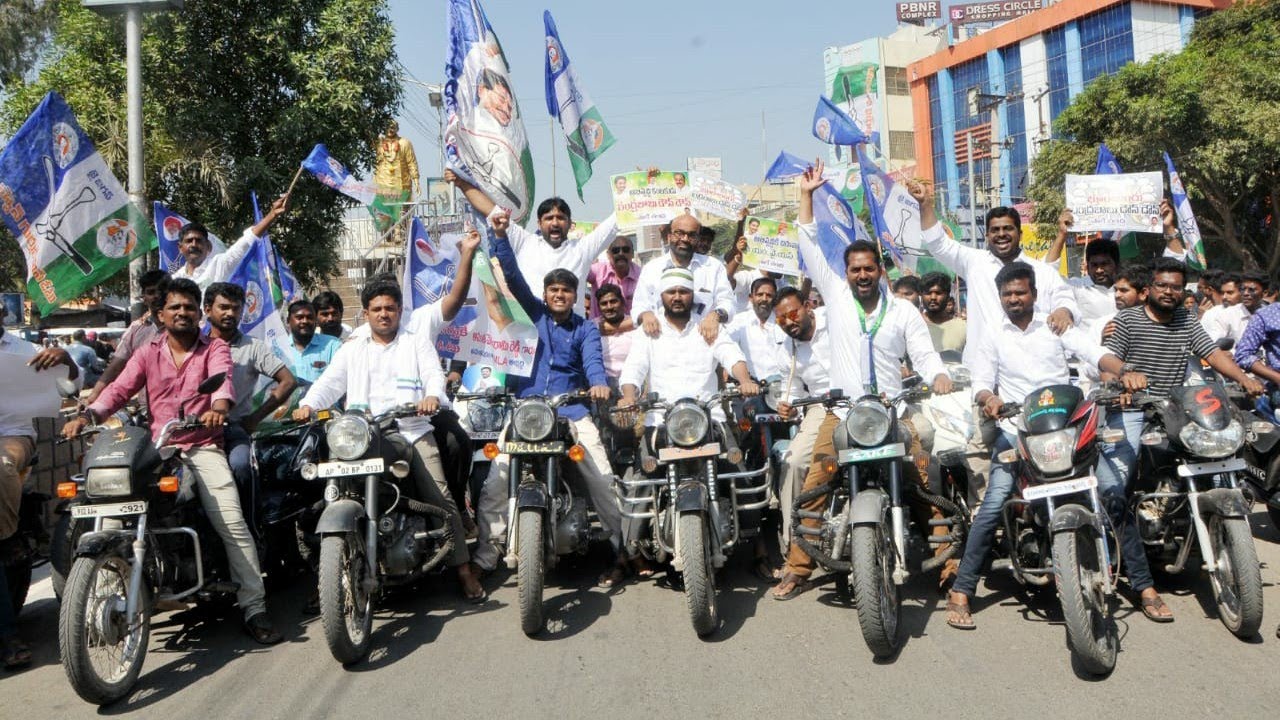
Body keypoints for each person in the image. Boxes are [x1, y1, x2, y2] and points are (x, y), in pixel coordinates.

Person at [63, 278, 284, 643]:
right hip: (158, 447)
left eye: (189, 307)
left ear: (200, 313)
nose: (182, 313)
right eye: (175, 307)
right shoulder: (148, 351)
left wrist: (218, 409)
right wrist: (87, 416)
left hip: (201, 445)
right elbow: (120, 389)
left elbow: (223, 385)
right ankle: (97, 602)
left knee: (231, 522)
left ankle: (254, 606)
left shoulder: (214, 348)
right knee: (112, 516)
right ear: (161, 314)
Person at [776, 160, 954, 600]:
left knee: (927, 478)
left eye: (867, 268)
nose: (860, 275)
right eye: (853, 269)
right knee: (815, 484)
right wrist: (806, 195)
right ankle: (797, 567)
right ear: (847, 271)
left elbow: (926, 356)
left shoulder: (904, 311)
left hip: (893, 411)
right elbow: (808, 242)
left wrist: (939, 376)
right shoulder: (834, 295)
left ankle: (950, 565)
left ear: (880, 271)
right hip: (842, 415)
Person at [944, 262, 1134, 629]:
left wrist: (1124, 371)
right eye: (1007, 294)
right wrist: (989, 399)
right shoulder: (992, 336)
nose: (1014, 299)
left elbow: (1096, 354)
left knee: (1112, 491)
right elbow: (982, 382)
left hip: (1067, 430)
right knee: (994, 501)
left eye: (1020, 292)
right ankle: (963, 589)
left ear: (1033, 293)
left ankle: (1143, 586)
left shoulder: (1055, 324)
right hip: (1017, 430)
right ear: (1000, 298)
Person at [292, 279, 486, 602]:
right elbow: (330, 381)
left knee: (441, 498)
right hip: (362, 434)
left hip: (411, 430)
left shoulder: (415, 342)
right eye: (377, 309)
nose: (384, 314)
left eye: (390, 308)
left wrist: (432, 396)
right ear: (366, 313)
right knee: (329, 489)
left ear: (399, 311)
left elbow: (433, 375)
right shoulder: (353, 346)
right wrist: (308, 405)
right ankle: (329, 579)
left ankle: (463, 570)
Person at [1098, 257, 1264, 622]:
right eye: (1162, 286)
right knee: (1115, 489)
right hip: (1132, 407)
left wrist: (1245, 378)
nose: (1169, 292)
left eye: (1176, 286)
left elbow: (1213, 354)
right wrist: (1127, 373)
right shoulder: (1129, 320)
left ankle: (1223, 532)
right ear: (1148, 290)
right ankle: (1136, 579)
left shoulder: (1188, 320)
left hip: (1175, 408)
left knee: (1218, 458)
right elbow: (1106, 360)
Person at [910, 175, 1078, 515]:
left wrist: (1062, 309)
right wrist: (925, 205)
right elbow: (936, 243)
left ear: (1019, 232)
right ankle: (988, 521)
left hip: (1033, 383)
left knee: (1046, 455)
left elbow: (1063, 296)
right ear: (986, 234)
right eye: (995, 230)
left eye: (1008, 229)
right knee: (981, 459)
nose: (1001, 234)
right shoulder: (973, 262)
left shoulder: (1039, 271)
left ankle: (1045, 521)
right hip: (985, 382)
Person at [473, 214, 622, 584]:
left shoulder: (586, 328)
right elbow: (510, 273)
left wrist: (599, 384)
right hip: (527, 411)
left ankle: (625, 550)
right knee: (496, 481)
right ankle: (487, 553)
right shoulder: (533, 312)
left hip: (570, 410)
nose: (559, 295)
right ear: (546, 294)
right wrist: (500, 236)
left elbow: (593, 362)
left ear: (576, 297)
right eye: (554, 290)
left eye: (566, 291)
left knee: (602, 476)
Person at [616, 267, 760, 575]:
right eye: (671, 292)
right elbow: (633, 370)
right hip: (661, 421)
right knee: (643, 482)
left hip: (710, 419)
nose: (678, 297)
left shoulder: (708, 327)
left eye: (683, 291)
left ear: (692, 294)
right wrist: (629, 396)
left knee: (738, 475)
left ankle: (757, 546)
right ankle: (632, 549)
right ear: (662, 296)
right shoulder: (649, 330)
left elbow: (731, 355)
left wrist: (744, 379)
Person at [0, 304, 80, 668]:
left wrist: (67, 362)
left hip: (13, 438)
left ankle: (6, 633)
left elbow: (70, 388)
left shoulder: (23, 351)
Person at [447, 170, 620, 309]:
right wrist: (461, 183)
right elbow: (490, 210)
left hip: (570, 340)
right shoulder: (525, 242)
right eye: (549, 218)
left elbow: (619, 217)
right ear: (539, 223)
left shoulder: (582, 249)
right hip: (531, 339)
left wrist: (643, 186)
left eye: (560, 218)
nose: (555, 223)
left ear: (569, 224)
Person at [203, 282, 298, 529]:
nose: (230, 314)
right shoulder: (196, 345)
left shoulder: (253, 347)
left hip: (233, 430)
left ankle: (251, 528)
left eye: (236, 308)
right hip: (195, 431)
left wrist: (254, 419)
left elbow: (288, 381)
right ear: (207, 309)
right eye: (223, 307)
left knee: (241, 467)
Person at [770, 287, 831, 549]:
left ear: (808, 306)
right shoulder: (786, 351)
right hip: (820, 408)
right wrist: (790, 410)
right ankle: (795, 544)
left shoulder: (836, 320)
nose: (788, 322)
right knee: (793, 462)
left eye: (793, 313)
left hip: (859, 399)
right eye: (781, 319)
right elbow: (792, 394)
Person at [632, 213, 736, 343]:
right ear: (669, 236)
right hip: (660, 344)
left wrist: (716, 315)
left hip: (704, 345)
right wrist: (645, 315)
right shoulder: (651, 269)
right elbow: (638, 307)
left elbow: (728, 303)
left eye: (692, 235)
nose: (685, 239)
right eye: (679, 233)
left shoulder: (713, 267)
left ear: (698, 239)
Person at [86, 268, 169, 404]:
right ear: (144, 298)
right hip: (147, 409)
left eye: (161, 291)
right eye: (151, 292)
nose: (156, 296)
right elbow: (116, 366)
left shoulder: (183, 327)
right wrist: (94, 397)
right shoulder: (136, 329)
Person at [173, 196, 289, 289]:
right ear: (180, 247)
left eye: (198, 241)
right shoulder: (174, 280)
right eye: (189, 241)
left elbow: (246, 241)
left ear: (208, 246)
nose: (193, 245)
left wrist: (272, 214)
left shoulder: (220, 265)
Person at [726, 276, 789, 381]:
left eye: (769, 295)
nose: (764, 299)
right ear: (751, 298)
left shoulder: (784, 322)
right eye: (760, 295)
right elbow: (728, 349)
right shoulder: (739, 321)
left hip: (780, 385)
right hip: (749, 387)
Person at [274, 299, 341, 385]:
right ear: (288, 320)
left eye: (309, 317)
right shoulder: (278, 349)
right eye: (299, 317)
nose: (305, 321)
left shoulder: (333, 345)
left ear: (315, 320)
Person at [587, 235, 640, 320]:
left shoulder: (641, 276)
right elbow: (578, 271)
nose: (621, 253)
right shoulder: (597, 271)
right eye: (616, 251)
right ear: (608, 255)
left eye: (625, 250)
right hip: (599, 330)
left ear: (632, 253)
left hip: (632, 330)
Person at [595, 283, 634, 389]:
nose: (609, 307)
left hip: (633, 381)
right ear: (598, 307)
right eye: (604, 303)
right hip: (603, 383)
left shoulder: (635, 325)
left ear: (622, 302)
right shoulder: (592, 328)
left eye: (613, 301)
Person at [920, 272, 965, 354]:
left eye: (938, 293)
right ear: (922, 296)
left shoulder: (964, 327)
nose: (933, 297)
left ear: (948, 296)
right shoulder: (913, 327)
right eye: (928, 293)